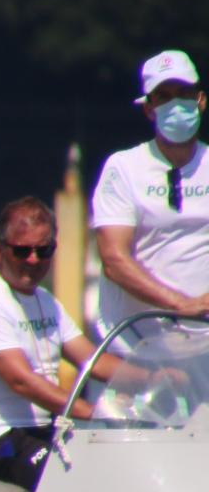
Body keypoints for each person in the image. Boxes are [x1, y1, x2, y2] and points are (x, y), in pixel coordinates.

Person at [0, 197, 182, 492]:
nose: (33, 259)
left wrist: (153, 379)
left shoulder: (45, 301)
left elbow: (93, 360)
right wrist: (90, 411)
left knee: (127, 471)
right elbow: (21, 381)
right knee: (71, 484)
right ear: (0, 251)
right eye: (22, 251)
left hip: (39, 431)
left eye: (44, 250)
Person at [89, 50, 209, 355]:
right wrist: (181, 304)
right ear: (149, 109)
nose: (176, 104)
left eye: (184, 93)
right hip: (138, 345)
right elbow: (114, 260)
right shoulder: (124, 168)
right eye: (164, 96)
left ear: (201, 100)